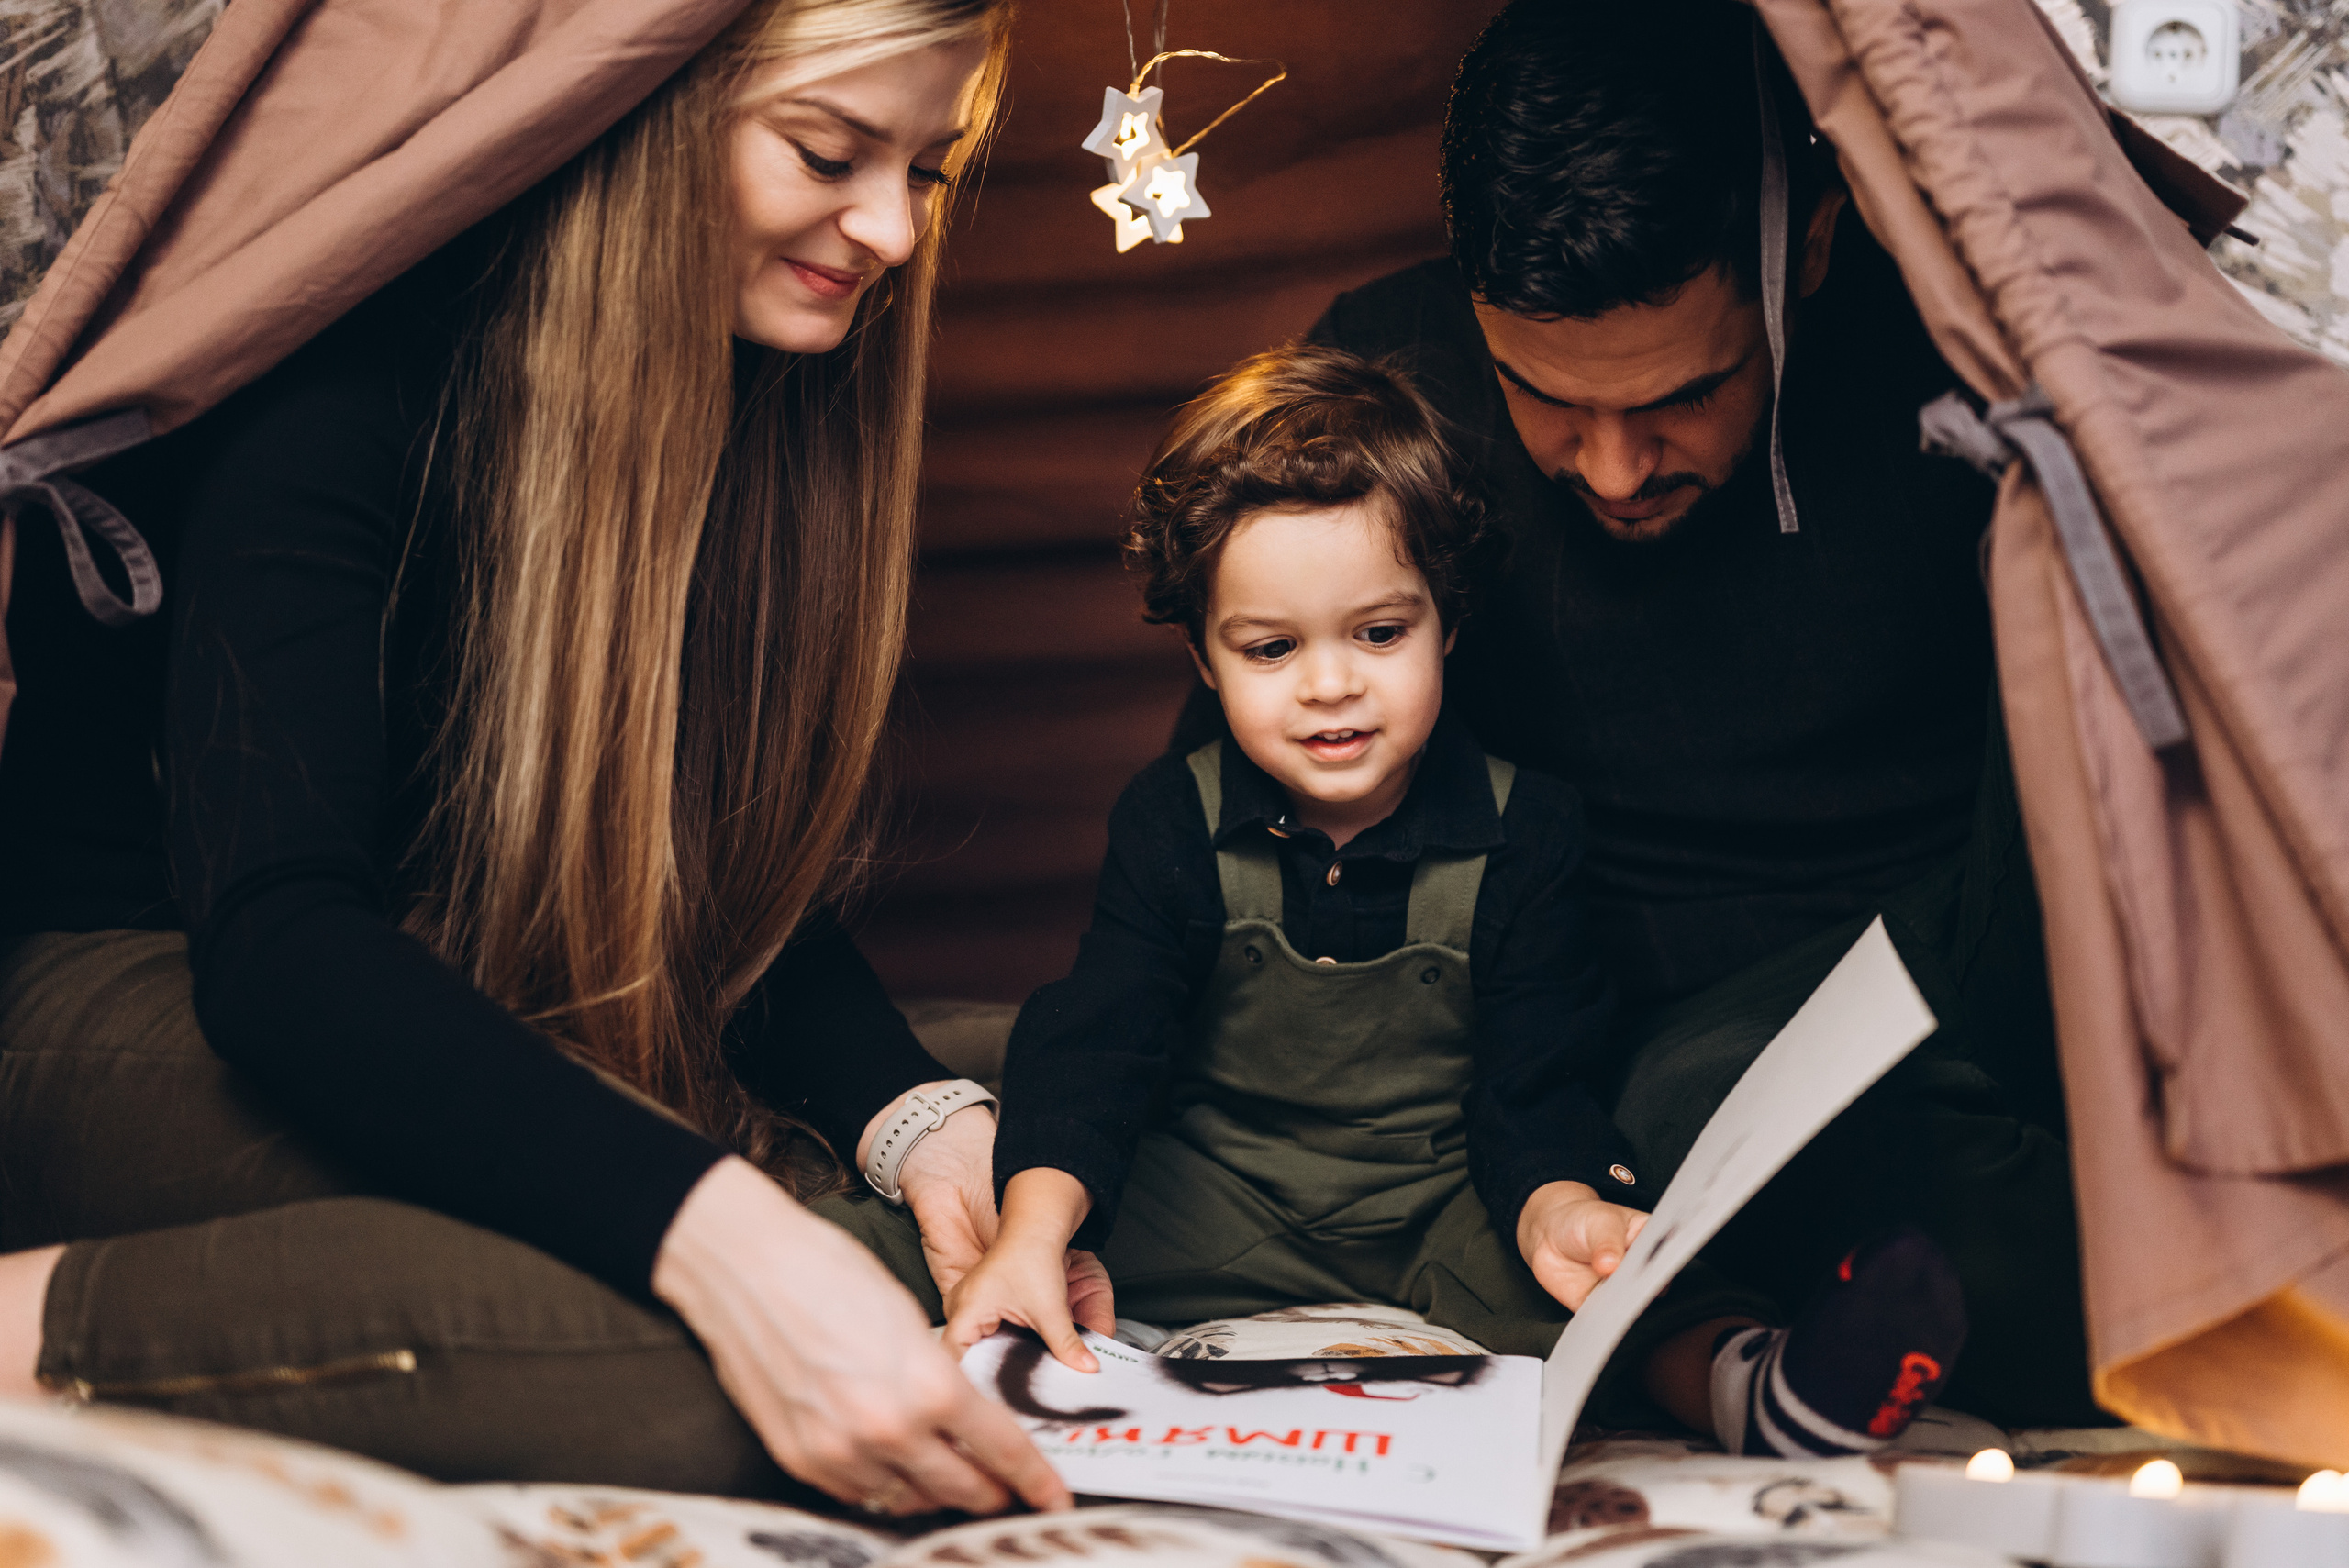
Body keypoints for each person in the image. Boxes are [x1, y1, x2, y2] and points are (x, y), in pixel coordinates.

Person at [0, 0, 1066, 1517]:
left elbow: (678, 873)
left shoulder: (735, 377)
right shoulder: (346, 362)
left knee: (1060, 1092)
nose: (891, 227)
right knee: (687, 1350)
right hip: (127, 986)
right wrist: (729, 1235)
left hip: (432, 976)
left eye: (930, 171)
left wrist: (917, 1115)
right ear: (645, 118)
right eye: (831, 152)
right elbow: (282, 943)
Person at [1170, 0, 2098, 1431]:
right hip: (1558, 1045)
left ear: (1819, 251)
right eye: (1547, 400)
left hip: (1927, 989)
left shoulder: (1960, 378)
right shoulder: (1392, 388)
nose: (1610, 469)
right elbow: (1222, 803)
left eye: (1686, 395)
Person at [928, 345, 1968, 1459]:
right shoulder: (1170, 816)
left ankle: (1747, 1381)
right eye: (1273, 648)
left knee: (1608, 1275)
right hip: (1222, 1183)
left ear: (1448, 623)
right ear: (1202, 656)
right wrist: (1037, 1227)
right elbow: (1107, 1030)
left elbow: (1536, 1069)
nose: (1332, 683)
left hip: (1444, 1194)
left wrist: (1559, 1200)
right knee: (1009, 1206)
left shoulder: (1528, 829)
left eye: (1380, 632)